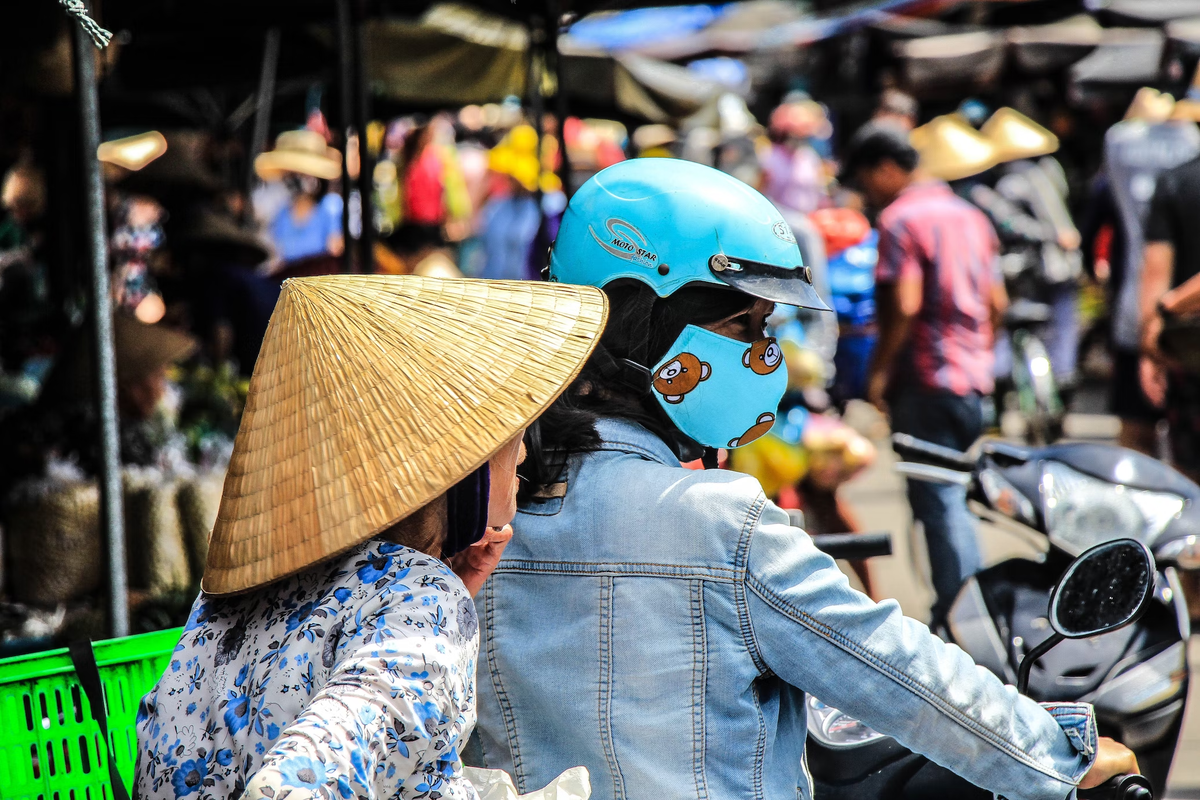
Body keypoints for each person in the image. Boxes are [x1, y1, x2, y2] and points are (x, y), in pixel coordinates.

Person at [472, 158, 1136, 800]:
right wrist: (1057, 755)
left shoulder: (476, 512)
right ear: (640, 322)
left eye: (765, 328)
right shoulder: (720, 523)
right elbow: (896, 668)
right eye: (741, 324)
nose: (764, 354)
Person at [133, 275, 607, 800]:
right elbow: (287, 789)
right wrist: (434, 608)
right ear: (457, 465)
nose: (521, 452)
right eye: (510, 433)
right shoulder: (423, 601)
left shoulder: (235, 595)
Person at [844, 124, 1006, 629]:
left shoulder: (899, 219)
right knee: (955, 497)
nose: (868, 192)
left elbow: (906, 304)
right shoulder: (970, 215)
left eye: (868, 179)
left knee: (939, 504)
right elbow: (997, 303)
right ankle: (972, 612)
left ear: (887, 170)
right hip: (972, 380)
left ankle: (962, 619)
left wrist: (880, 371)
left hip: (926, 379)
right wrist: (978, 351)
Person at [1103, 88, 1200, 454]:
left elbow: (1155, 271)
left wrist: (1154, 332)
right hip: (1181, 340)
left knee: (1170, 457)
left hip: (1184, 341)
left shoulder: (1175, 181)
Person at [254, 130, 345, 269]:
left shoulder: (330, 206)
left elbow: (336, 250)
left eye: (304, 172)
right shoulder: (282, 213)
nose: (298, 177)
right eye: (292, 173)